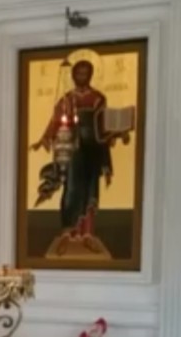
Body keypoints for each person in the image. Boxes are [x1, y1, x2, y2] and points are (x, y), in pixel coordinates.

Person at [32, 60, 121, 240]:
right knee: (72, 188)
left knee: (90, 190)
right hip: (73, 148)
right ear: (73, 76)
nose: (82, 77)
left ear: (90, 75)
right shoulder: (67, 98)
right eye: (79, 73)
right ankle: (69, 231)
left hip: (93, 148)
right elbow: (56, 120)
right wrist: (45, 138)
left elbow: (103, 123)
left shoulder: (98, 98)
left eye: (85, 73)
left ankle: (86, 233)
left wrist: (117, 132)